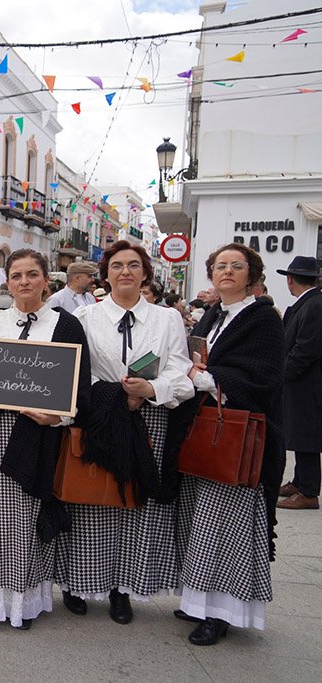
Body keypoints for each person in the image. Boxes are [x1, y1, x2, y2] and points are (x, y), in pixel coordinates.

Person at [0, 249, 91, 629]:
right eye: (16, 276)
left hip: (39, 434)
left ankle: (17, 601)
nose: (24, 282)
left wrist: (59, 416)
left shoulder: (67, 325)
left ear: (46, 280)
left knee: (21, 520)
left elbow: (80, 385)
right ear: (7, 283)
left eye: (32, 274)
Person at [56, 240, 195, 625]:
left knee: (135, 507)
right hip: (101, 419)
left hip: (148, 419)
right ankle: (77, 582)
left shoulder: (167, 319)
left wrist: (150, 389)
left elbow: (179, 369)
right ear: (105, 274)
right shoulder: (86, 317)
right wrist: (117, 397)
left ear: (146, 273)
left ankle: (122, 589)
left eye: (134, 265)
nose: (125, 272)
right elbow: (76, 371)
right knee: (91, 502)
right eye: (117, 265)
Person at [176, 243, 285, 645]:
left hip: (238, 435)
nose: (227, 271)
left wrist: (207, 378)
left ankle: (221, 612)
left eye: (236, 266)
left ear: (251, 275)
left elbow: (264, 377)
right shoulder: (213, 314)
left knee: (227, 528)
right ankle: (198, 600)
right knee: (202, 523)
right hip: (208, 430)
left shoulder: (263, 319)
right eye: (220, 265)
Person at [276, 255, 322, 510]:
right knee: (300, 433)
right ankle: (300, 481)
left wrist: (284, 374)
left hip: (306, 384)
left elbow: (306, 349)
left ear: (290, 279)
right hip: (302, 382)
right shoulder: (308, 303)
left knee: (306, 435)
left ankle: (308, 491)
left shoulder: (313, 305)